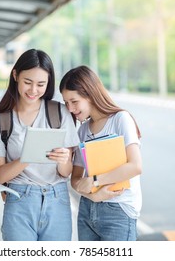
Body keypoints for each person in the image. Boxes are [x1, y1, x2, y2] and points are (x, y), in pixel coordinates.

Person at [0, 49, 79, 241]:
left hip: (57, 200)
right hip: (19, 201)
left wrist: (63, 160)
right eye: (28, 82)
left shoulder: (59, 113)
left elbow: (66, 172)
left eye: (41, 84)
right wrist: (28, 156)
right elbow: (0, 175)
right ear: (15, 75)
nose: (33, 90)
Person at [59, 65, 142, 241]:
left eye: (74, 101)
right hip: (87, 210)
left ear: (89, 94)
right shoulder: (82, 131)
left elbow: (135, 166)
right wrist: (93, 195)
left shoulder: (121, 119)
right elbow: (76, 180)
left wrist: (95, 180)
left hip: (118, 212)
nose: (70, 109)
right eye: (66, 103)